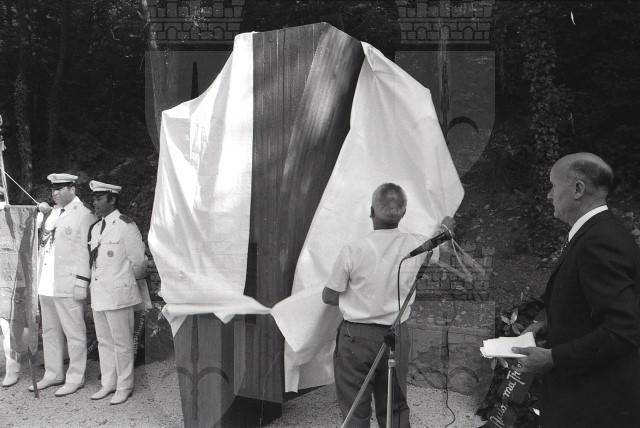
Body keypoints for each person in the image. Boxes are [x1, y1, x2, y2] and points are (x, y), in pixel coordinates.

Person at [512, 153, 640, 427]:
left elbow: (622, 330)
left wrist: (553, 358)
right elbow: (589, 303)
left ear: (578, 189)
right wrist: (549, 324)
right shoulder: (599, 232)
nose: (549, 195)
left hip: (592, 403)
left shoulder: (599, 242)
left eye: (553, 186)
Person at [322, 183, 435, 428]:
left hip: (357, 338)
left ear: (371, 211)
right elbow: (439, 244)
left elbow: (329, 296)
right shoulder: (419, 246)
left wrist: (360, 298)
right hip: (396, 335)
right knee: (395, 406)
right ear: (404, 214)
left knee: (354, 406)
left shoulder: (353, 250)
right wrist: (446, 225)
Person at [31, 173, 96, 396]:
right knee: (49, 331)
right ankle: (53, 373)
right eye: (53, 189)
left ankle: (75, 376)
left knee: (74, 332)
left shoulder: (84, 215)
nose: (55, 193)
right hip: (47, 281)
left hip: (69, 282)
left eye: (60, 188)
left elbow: (86, 252)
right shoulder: (52, 212)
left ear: (73, 189)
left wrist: (82, 281)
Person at [87, 180, 147, 405]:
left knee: (122, 343)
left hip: (119, 294)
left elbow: (139, 261)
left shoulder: (125, 225)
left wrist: (128, 283)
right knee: (104, 341)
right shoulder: (96, 228)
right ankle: (108, 383)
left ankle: (124, 385)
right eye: (94, 199)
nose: (95, 202)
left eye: (99, 198)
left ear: (112, 200)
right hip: (100, 293)